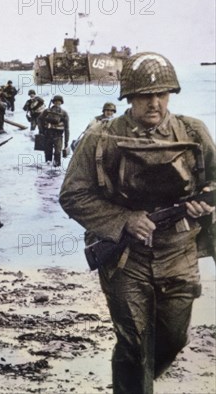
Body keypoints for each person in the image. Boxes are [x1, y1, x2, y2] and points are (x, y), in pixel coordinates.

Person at [59, 52, 216, 394]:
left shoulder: (193, 132)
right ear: (129, 97)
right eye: (145, 95)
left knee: (174, 338)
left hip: (178, 252)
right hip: (125, 257)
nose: (155, 103)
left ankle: (132, 383)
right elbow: (73, 195)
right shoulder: (100, 138)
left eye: (162, 94)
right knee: (133, 344)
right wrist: (125, 220)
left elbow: (214, 183)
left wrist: (204, 204)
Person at [38, 95, 69, 167]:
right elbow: (67, 128)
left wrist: (41, 131)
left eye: (58, 102)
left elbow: (39, 119)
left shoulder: (47, 111)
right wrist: (66, 142)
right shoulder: (63, 113)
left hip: (52, 135)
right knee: (55, 154)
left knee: (51, 154)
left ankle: (50, 169)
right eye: (56, 102)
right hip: (54, 135)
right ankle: (55, 170)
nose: (57, 103)